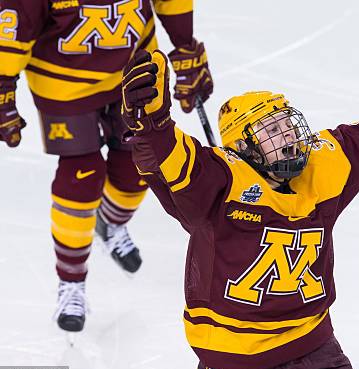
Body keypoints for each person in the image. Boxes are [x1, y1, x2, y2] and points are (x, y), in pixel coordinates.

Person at [120, 50, 359, 369]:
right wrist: (152, 123)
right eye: (273, 131)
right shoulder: (221, 179)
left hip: (314, 349)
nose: (290, 138)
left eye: (288, 125)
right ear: (242, 146)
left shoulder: (322, 164)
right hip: (238, 364)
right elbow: (173, 159)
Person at [0, 0, 213, 333]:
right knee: (82, 176)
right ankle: (71, 281)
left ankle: (109, 224)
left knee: (137, 165)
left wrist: (185, 46)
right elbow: (14, 21)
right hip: (64, 85)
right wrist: (3, 85)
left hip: (134, 75)